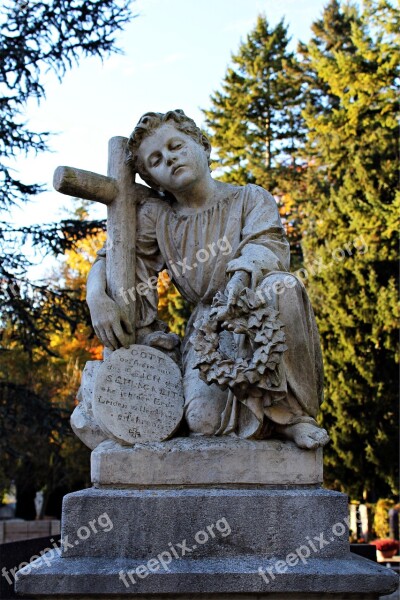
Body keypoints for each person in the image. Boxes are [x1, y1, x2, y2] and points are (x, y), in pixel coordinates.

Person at [87, 109, 329, 449]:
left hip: (258, 310)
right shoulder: (160, 217)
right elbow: (113, 257)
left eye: (176, 146)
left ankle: (292, 417)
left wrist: (239, 281)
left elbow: (268, 246)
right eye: (156, 160)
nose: (169, 159)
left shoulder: (250, 198)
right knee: (202, 420)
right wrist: (96, 297)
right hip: (210, 331)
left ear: (203, 145)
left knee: (283, 285)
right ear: (153, 180)